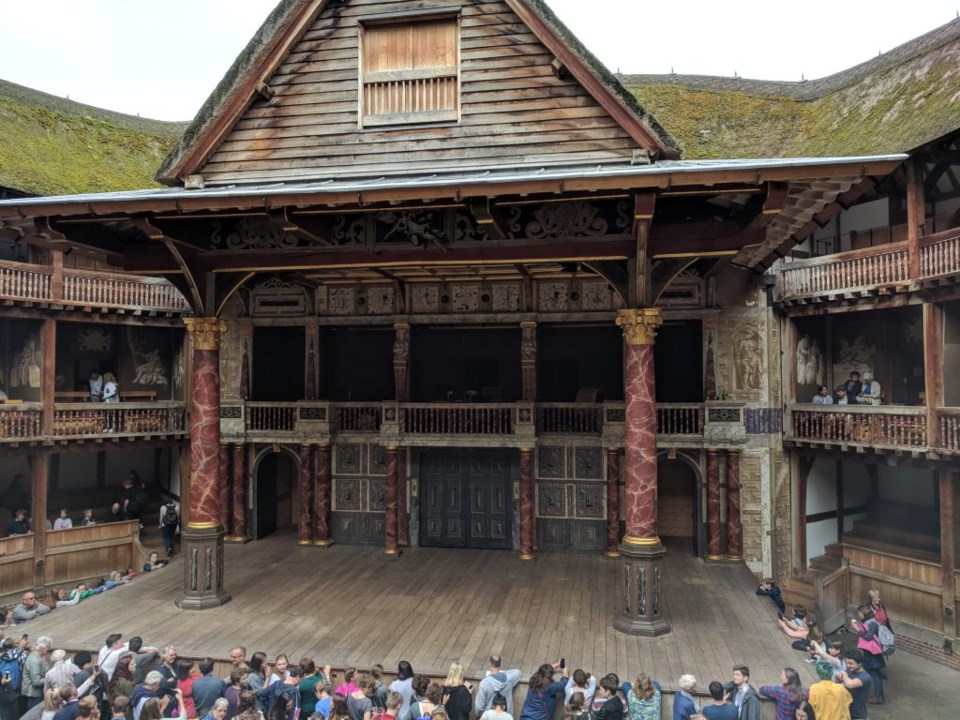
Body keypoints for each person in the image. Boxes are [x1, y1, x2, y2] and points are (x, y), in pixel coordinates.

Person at [850, 607, 884, 705]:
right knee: (872, 673)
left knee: (875, 674)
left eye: (859, 613)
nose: (858, 614)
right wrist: (857, 623)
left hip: (873, 653)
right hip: (869, 652)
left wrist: (856, 628)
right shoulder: (867, 621)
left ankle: (878, 697)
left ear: (864, 613)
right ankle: (874, 695)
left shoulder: (872, 623)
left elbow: (868, 637)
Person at [835, 651, 871, 720]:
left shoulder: (865, 677)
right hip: (846, 712)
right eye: (846, 663)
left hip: (858, 715)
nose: (848, 666)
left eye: (851, 663)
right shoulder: (850, 671)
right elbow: (837, 680)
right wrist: (838, 676)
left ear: (860, 663)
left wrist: (844, 674)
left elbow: (849, 684)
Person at [22, 636, 53, 713]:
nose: (48, 649)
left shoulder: (40, 657)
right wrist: (50, 678)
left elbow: (46, 672)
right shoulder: (34, 660)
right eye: (48, 647)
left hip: (37, 693)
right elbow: (36, 682)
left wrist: (44, 662)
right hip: (33, 694)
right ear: (44, 648)